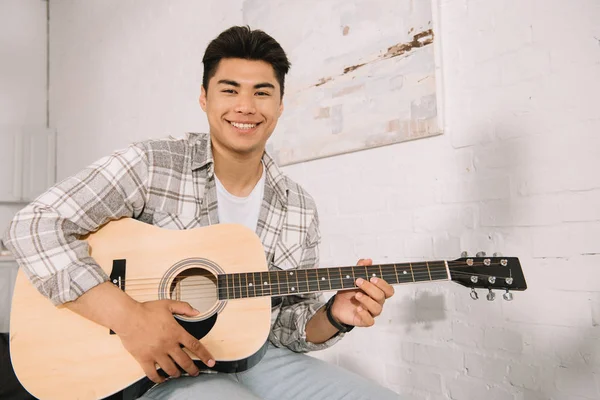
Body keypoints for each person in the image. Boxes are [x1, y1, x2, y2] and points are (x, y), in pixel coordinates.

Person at [4, 26, 400, 400]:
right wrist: (130, 317)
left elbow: (283, 328)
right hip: (159, 366)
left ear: (280, 105)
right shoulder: (152, 164)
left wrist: (334, 314)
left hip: (256, 359)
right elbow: (34, 225)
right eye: (230, 90)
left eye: (262, 93)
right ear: (204, 97)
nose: (245, 107)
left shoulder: (297, 207)